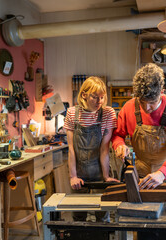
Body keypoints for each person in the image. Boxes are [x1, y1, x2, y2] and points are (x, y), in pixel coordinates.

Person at [112, 63, 166, 190]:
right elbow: (117, 135)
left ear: (162, 92)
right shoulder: (129, 107)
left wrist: (162, 173)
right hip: (140, 175)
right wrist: (119, 145)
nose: (147, 108)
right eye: (142, 102)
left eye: (152, 102)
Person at [64, 76, 119, 221]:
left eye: (102, 97)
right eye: (95, 97)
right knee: (78, 215)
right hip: (79, 172)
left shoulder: (108, 113)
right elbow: (71, 149)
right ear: (84, 95)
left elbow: (104, 149)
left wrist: (106, 176)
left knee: (102, 215)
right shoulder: (71, 113)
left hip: (100, 171)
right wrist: (73, 176)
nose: (99, 101)